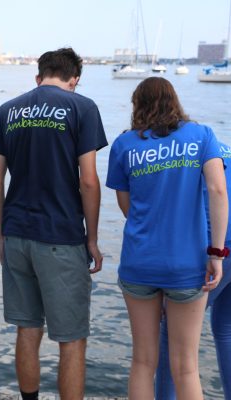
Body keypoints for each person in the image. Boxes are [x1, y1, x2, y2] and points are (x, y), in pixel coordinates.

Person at [0, 47, 107, 400]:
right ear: (75, 79)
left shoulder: (7, 110)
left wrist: (1, 233)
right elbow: (88, 180)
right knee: (71, 340)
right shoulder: (81, 107)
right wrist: (93, 239)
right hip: (61, 237)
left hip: (17, 236)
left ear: (38, 76)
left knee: (27, 329)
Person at [106, 77, 228, 400]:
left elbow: (127, 206)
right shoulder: (201, 137)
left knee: (143, 361)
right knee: (186, 366)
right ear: (175, 101)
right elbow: (218, 191)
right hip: (187, 265)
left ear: (137, 106)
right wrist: (216, 252)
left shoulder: (124, 145)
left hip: (139, 263)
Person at [155, 141, 231, 400]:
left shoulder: (177, 152)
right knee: (226, 329)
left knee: (171, 333)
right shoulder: (217, 146)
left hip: (217, 247)